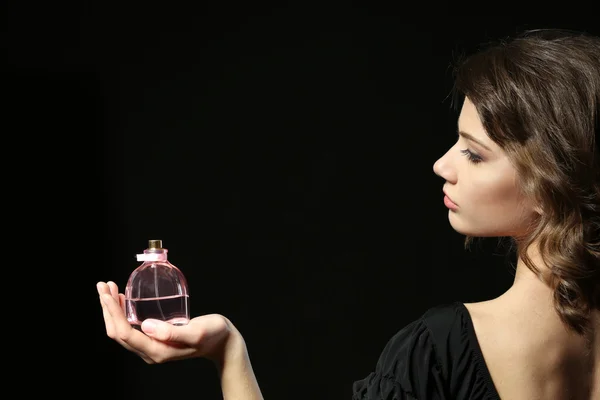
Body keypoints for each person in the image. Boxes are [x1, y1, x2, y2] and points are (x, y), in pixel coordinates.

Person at [97, 28, 600, 399]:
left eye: (473, 152)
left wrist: (228, 353)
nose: (441, 164)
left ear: (549, 182)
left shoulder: (439, 350)